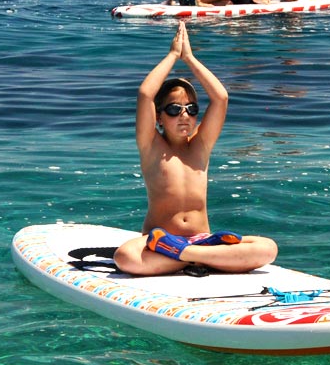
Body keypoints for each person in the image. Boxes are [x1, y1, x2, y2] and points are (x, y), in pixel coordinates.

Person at [114, 23, 278, 276]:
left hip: (201, 239)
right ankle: (206, 259)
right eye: (174, 109)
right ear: (158, 117)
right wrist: (172, 56)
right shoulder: (151, 146)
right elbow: (145, 94)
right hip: (158, 241)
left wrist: (190, 58)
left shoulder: (200, 146)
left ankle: (189, 255)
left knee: (268, 248)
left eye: (191, 109)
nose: (184, 116)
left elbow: (221, 97)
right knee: (125, 257)